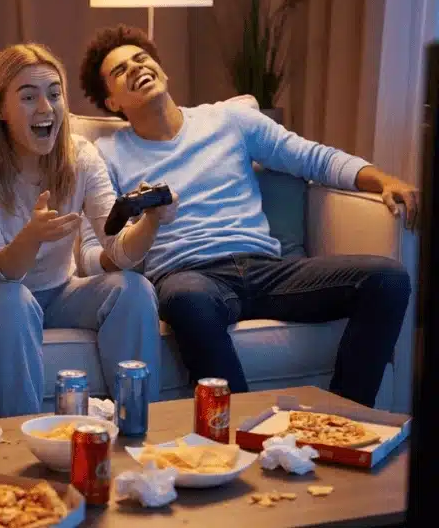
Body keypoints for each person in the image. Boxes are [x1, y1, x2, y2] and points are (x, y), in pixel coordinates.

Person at [76, 24, 416, 408]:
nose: (136, 68)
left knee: (387, 280)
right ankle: (241, 429)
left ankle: (341, 420)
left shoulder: (229, 120)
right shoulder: (104, 154)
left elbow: (311, 157)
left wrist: (381, 179)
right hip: (189, 276)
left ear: (162, 69)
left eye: (141, 58)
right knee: (186, 300)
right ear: (111, 103)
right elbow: (96, 246)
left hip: (267, 269)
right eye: (120, 71)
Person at [0, 43, 163, 417]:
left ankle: (139, 425)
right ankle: (20, 434)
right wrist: (32, 235)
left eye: (54, 94)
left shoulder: (80, 155)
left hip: (63, 293)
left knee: (133, 289)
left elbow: (118, 250)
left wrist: (151, 221)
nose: (46, 109)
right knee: (11, 298)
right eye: (29, 97)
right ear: (0, 109)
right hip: (4, 300)